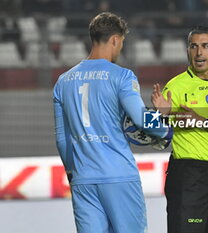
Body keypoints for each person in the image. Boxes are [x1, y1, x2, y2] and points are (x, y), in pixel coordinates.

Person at [53, 12, 172, 233]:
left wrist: (74, 173)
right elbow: (141, 120)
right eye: (122, 43)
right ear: (115, 39)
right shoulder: (122, 76)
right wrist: (163, 120)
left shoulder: (63, 81)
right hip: (119, 176)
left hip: (83, 179)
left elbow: (62, 139)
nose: (120, 49)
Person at [152, 25, 208, 233]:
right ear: (187, 52)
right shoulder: (175, 86)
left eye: (205, 46)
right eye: (193, 47)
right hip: (186, 174)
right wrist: (160, 116)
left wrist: (200, 120)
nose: (199, 52)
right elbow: (155, 131)